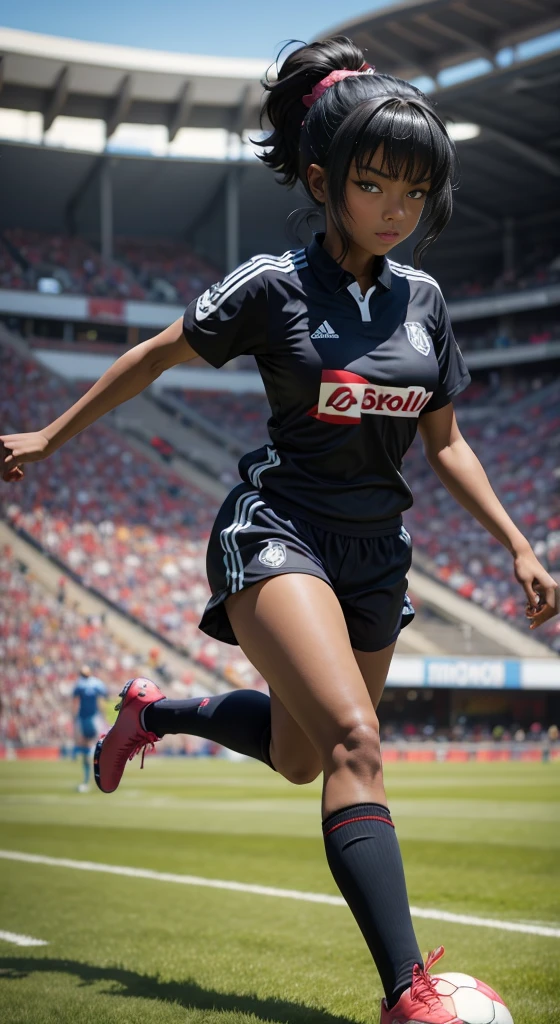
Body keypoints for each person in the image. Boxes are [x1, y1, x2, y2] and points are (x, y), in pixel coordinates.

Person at [2, 35, 558, 1024]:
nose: (394, 209)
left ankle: (155, 713)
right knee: (355, 738)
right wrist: (49, 435)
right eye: (374, 184)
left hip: (375, 556)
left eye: (413, 193)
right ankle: (410, 994)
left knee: (306, 757)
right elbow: (153, 356)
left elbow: (446, 444)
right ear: (321, 177)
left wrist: (516, 541)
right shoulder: (271, 284)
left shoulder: (425, 303)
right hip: (274, 529)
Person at [71, 663, 107, 792]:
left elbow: (75, 703)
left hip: (87, 718)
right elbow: (102, 700)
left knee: (87, 749)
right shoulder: (97, 684)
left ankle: (88, 780)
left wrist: (74, 718)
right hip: (95, 718)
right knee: (96, 747)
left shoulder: (79, 684)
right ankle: (98, 778)